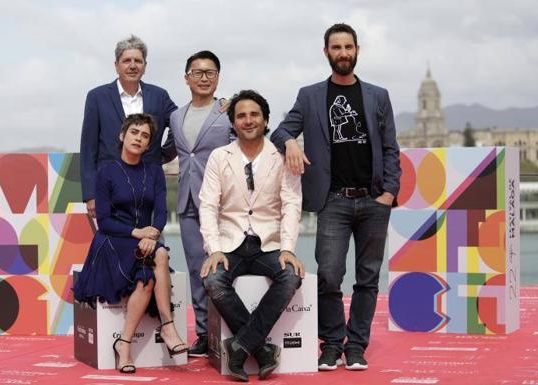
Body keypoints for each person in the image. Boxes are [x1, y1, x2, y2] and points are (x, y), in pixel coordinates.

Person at [270, 23, 401, 371]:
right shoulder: (310, 95)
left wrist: (389, 192)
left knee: (367, 278)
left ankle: (356, 346)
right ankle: (331, 344)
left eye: (348, 47)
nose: (342, 53)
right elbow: (281, 129)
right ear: (326, 52)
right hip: (333, 201)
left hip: (374, 201)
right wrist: (291, 141)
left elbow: (390, 148)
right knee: (329, 274)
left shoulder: (378, 95)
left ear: (357, 50)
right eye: (336, 47)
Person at [200, 90, 305, 382]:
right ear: (233, 123)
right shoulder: (219, 157)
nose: (248, 121)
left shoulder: (283, 156)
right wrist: (215, 249)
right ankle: (261, 350)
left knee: (291, 276)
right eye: (241, 116)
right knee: (212, 279)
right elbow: (208, 205)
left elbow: (292, 204)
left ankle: (239, 346)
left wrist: (287, 248)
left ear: (266, 119)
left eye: (254, 114)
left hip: (269, 244)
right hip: (229, 242)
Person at [73, 114, 188, 374]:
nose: (139, 138)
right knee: (159, 257)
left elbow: (160, 212)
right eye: (135, 132)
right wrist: (139, 233)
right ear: (123, 136)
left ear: (149, 145)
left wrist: (153, 233)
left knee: (148, 274)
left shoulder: (154, 171)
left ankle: (123, 346)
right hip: (113, 241)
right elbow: (104, 221)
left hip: (145, 240)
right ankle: (167, 327)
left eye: (145, 136)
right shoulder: (106, 172)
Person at [162, 50, 233, 357]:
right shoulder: (176, 116)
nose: (204, 78)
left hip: (224, 203)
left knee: (227, 268)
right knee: (196, 270)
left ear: (218, 77)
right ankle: (204, 333)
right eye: (198, 72)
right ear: (186, 78)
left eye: (210, 72)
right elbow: (171, 152)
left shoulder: (228, 111)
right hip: (188, 201)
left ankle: (230, 331)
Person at [80, 35, 177, 219]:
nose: (132, 65)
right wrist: (90, 195)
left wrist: (165, 153)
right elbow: (88, 148)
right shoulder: (97, 97)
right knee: (113, 242)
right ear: (116, 65)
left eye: (138, 61)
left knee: (150, 242)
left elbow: (180, 123)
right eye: (126, 60)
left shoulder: (159, 95)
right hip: (109, 187)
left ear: (145, 66)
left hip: (148, 186)